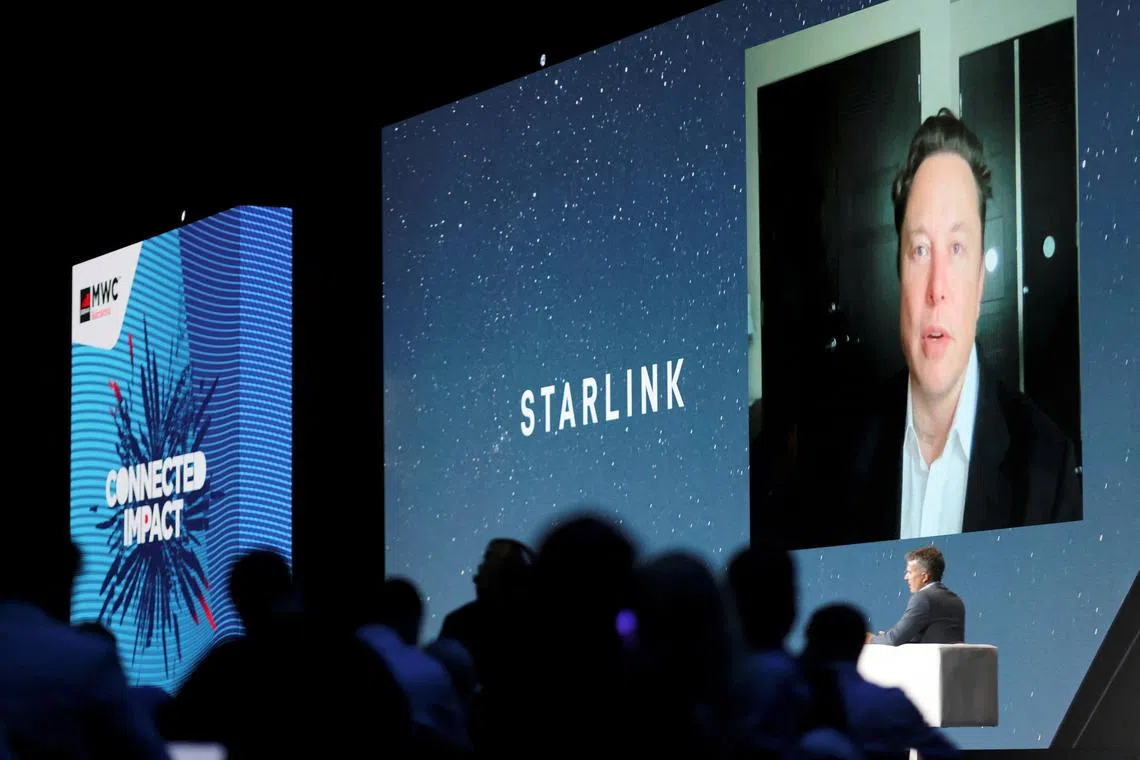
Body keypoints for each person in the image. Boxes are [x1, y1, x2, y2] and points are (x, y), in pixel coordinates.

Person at [844, 108, 1081, 544]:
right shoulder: (847, 453)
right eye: (920, 250)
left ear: (979, 282)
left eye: (956, 248)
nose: (937, 289)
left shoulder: (1050, 473)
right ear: (899, 274)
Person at [800, 603, 960, 759]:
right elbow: (942, 753)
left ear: (809, 642)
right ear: (860, 645)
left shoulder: (790, 695)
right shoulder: (891, 702)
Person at [869, 546, 964, 646]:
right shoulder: (956, 600)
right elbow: (935, 635)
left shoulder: (923, 598)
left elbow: (893, 640)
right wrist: (887, 636)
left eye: (909, 572)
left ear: (924, 577)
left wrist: (870, 639)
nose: (906, 577)